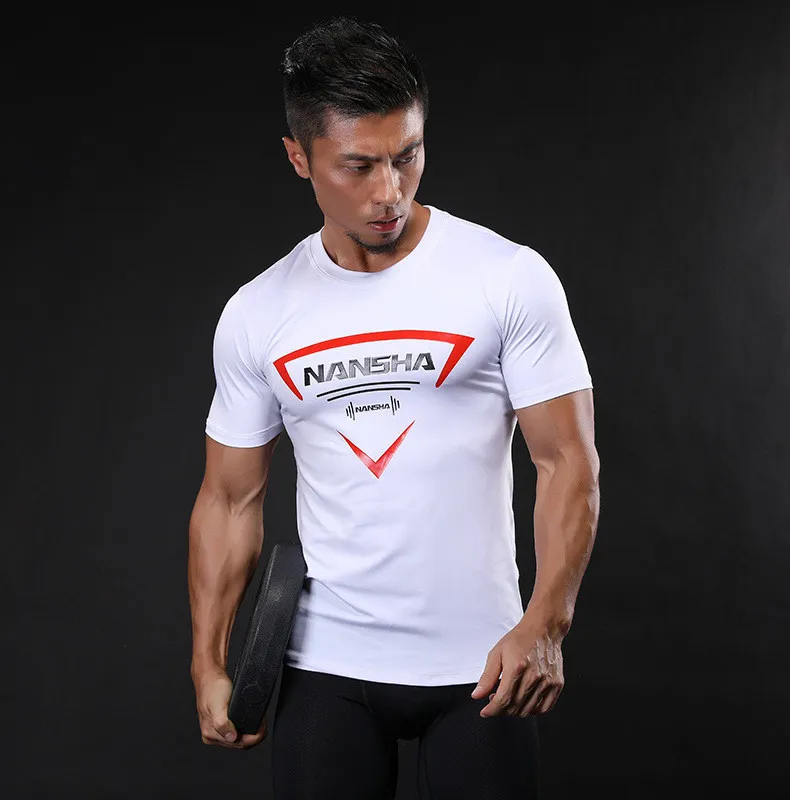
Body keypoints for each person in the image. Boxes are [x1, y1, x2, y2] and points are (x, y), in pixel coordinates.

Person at [188, 15, 600, 800]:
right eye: (359, 166)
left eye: (406, 156)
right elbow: (228, 499)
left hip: (485, 664)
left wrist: (546, 622)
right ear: (300, 158)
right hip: (326, 670)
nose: (390, 192)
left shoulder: (507, 277)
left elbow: (567, 462)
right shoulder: (258, 311)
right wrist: (206, 662)